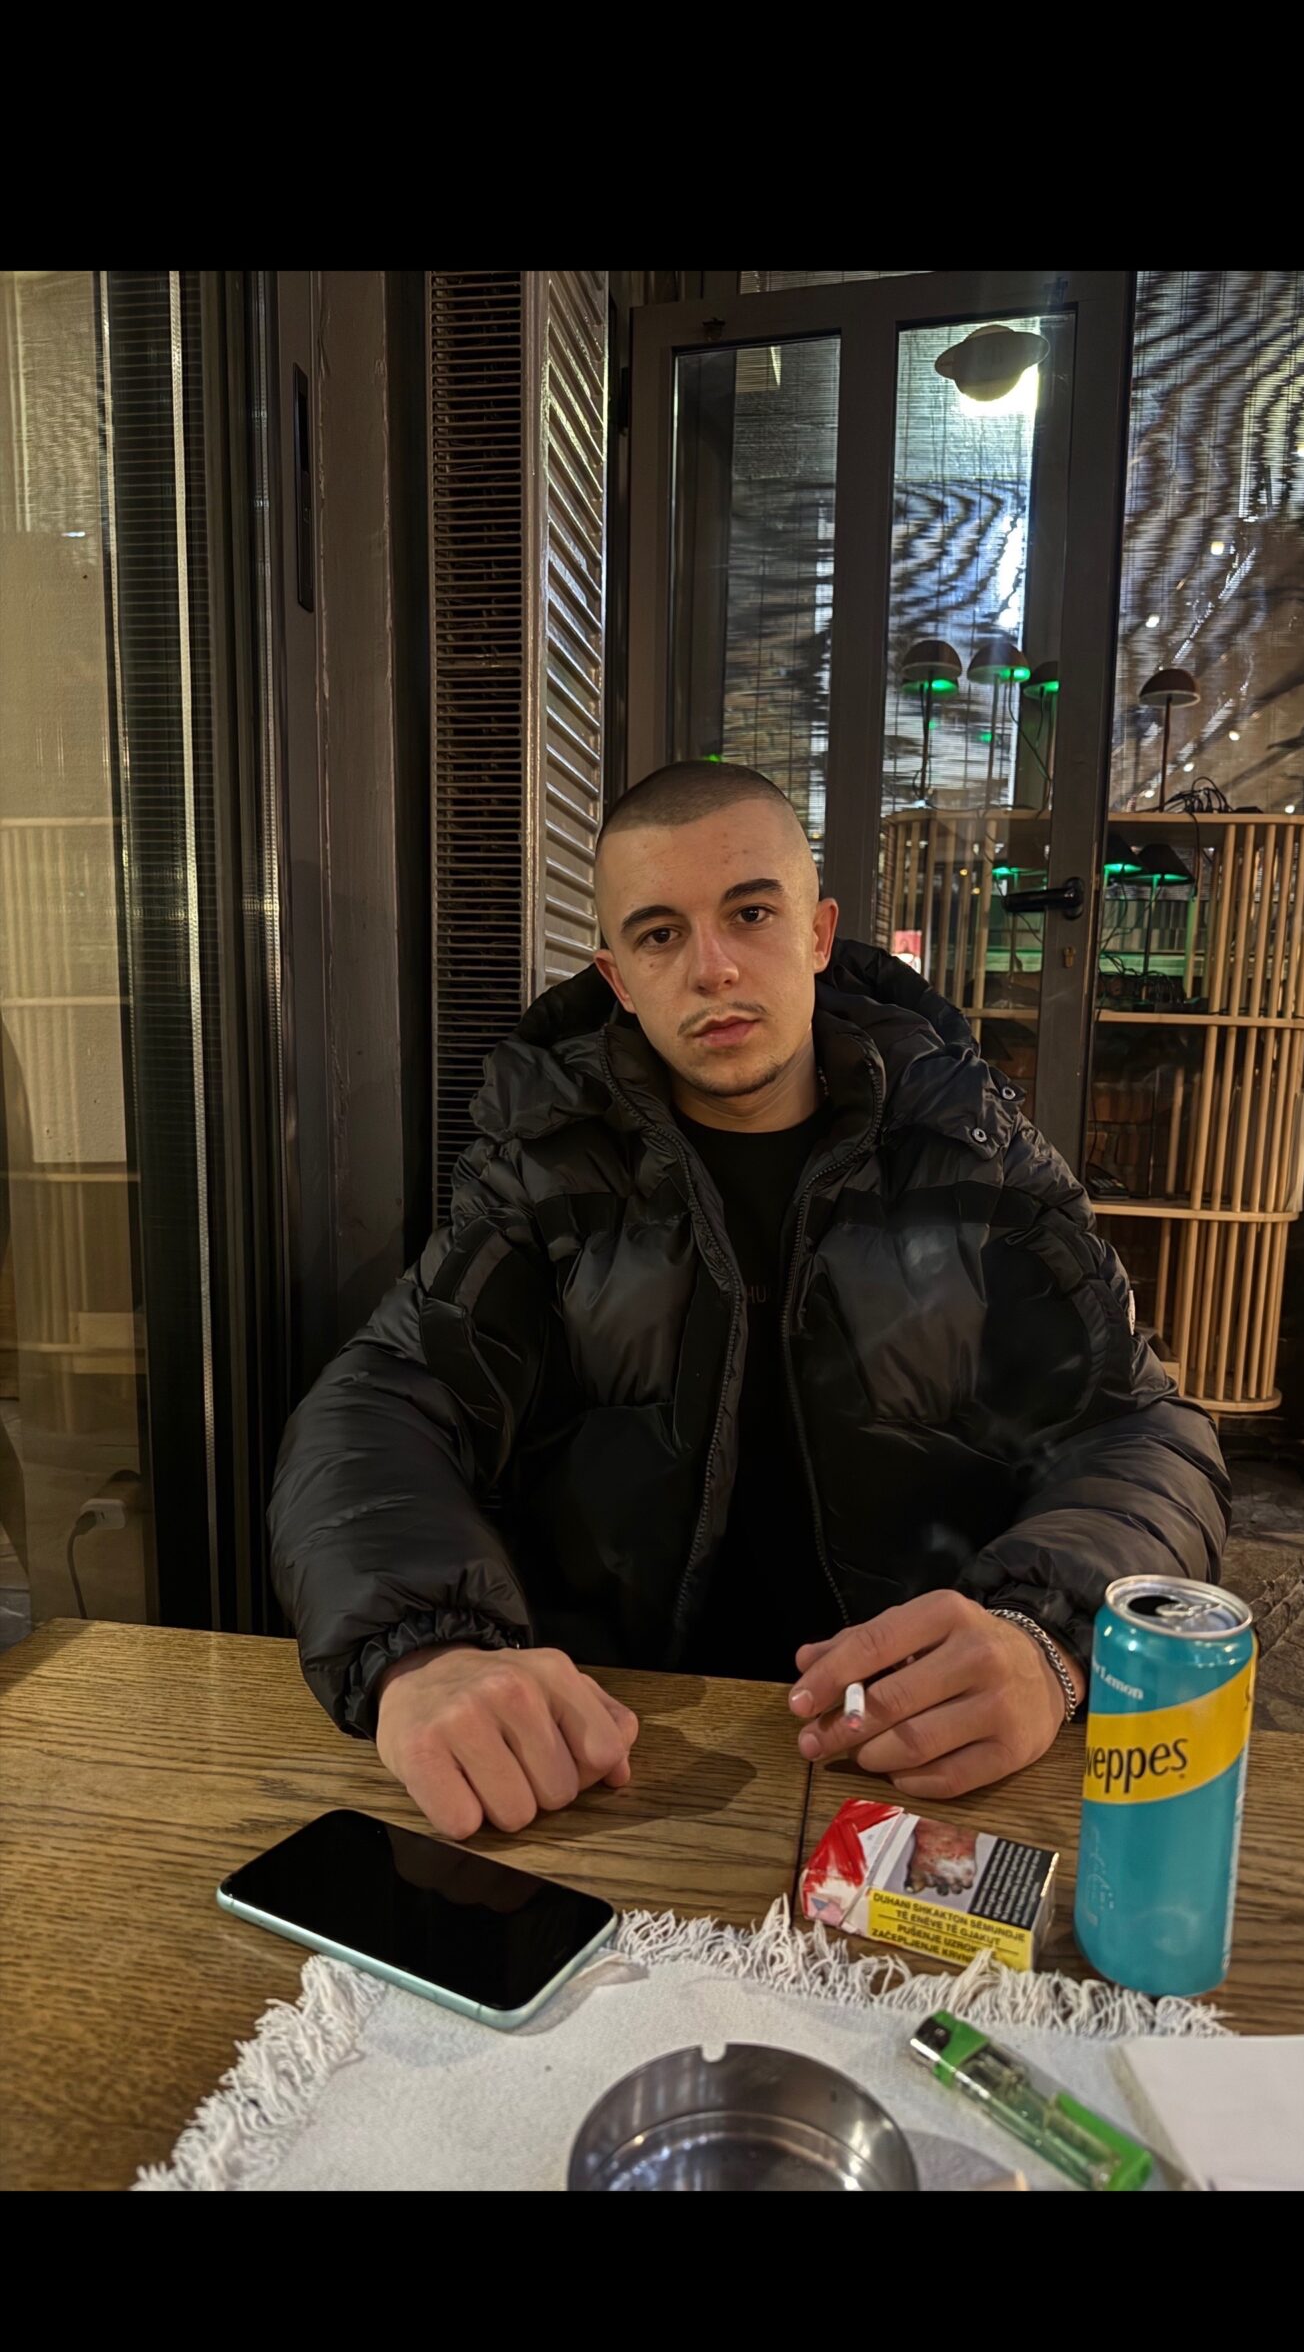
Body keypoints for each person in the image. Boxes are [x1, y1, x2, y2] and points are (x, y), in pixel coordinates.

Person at [270, 763, 1228, 1841]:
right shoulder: (547, 1169)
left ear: (818, 934)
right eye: (660, 934)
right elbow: (380, 1406)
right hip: (613, 1753)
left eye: (751, 914)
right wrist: (425, 1651)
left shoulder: (971, 1152)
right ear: (618, 977)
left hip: (917, 1753)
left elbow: (1144, 1432)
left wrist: (1043, 1636)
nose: (714, 967)